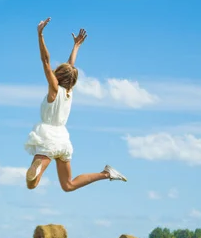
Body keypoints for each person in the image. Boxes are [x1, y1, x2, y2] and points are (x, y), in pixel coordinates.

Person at [24, 17, 127, 192]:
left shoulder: (54, 89)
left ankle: (39, 164)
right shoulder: (68, 92)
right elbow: (70, 67)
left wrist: (40, 35)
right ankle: (106, 174)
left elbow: (46, 61)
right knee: (68, 185)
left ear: (58, 76)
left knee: (31, 184)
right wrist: (76, 46)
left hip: (47, 137)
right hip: (62, 140)